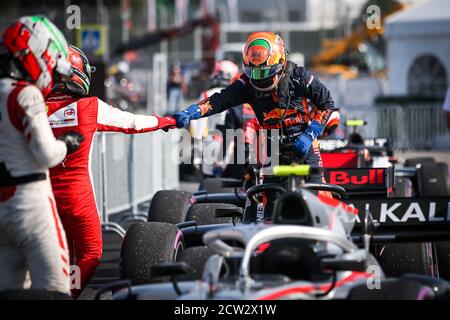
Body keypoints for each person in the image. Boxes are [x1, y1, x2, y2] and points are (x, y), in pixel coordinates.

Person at [45, 45, 176, 298]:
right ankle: (65, 295)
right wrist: (167, 121)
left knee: (51, 253)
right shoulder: (90, 107)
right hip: (77, 196)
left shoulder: (33, 107)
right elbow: (134, 123)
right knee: (90, 253)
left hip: (42, 196)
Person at [172, 32, 335, 184]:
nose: (259, 78)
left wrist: (310, 133)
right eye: (254, 73)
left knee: (318, 193)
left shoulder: (300, 77)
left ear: (279, 63)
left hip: (305, 145)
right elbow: (219, 100)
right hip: (273, 149)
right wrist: (191, 112)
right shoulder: (247, 84)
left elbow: (326, 103)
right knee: (270, 202)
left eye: (264, 72)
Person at [0, 16, 83, 295]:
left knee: (8, 289)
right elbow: (47, 154)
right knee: (54, 289)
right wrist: (67, 144)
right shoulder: (26, 94)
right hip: (30, 202)